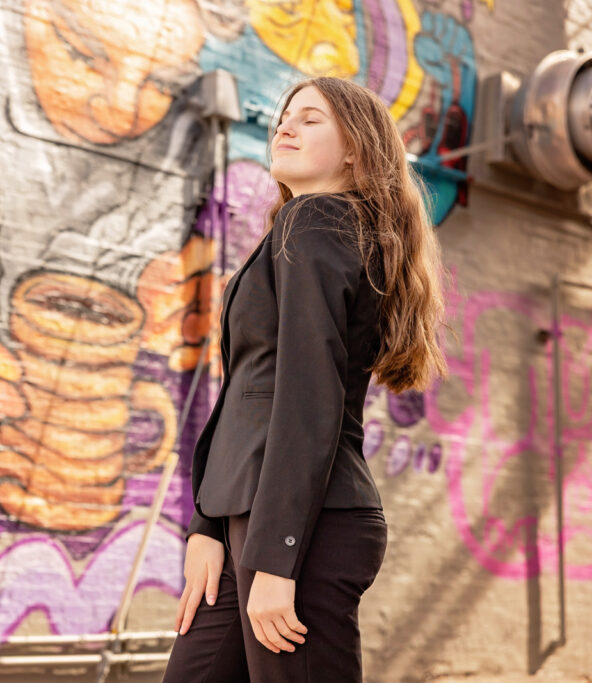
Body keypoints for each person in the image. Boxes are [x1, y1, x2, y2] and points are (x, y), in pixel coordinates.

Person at [163, 77, 447, 682]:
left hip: (300, 530)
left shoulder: (317, 220)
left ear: (355, 151)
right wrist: (208, 525)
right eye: (285, 117)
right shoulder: (300, 229)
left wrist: (277, 557)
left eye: (311, 119)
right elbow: (250, 392)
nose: (285, 126)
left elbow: (307, 395)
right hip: (254, 518)